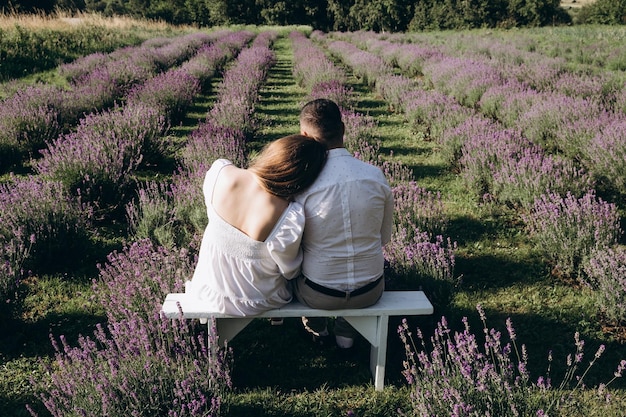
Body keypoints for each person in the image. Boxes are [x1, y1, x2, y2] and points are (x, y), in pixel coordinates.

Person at [188, 134, 328, 316]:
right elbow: (290, 270)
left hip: (209, 289)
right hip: (257, 299)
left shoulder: (220, 173)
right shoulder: (288, 214)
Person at [293, 98, 394, 349]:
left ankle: (317, 328)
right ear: (343, 129)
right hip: (370, 290)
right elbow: (384, 238)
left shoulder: (304, 183)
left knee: (289, 267)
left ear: (304, 135)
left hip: (319, 293)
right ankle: (346, 334)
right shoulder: (375, 176)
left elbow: (290, 244)